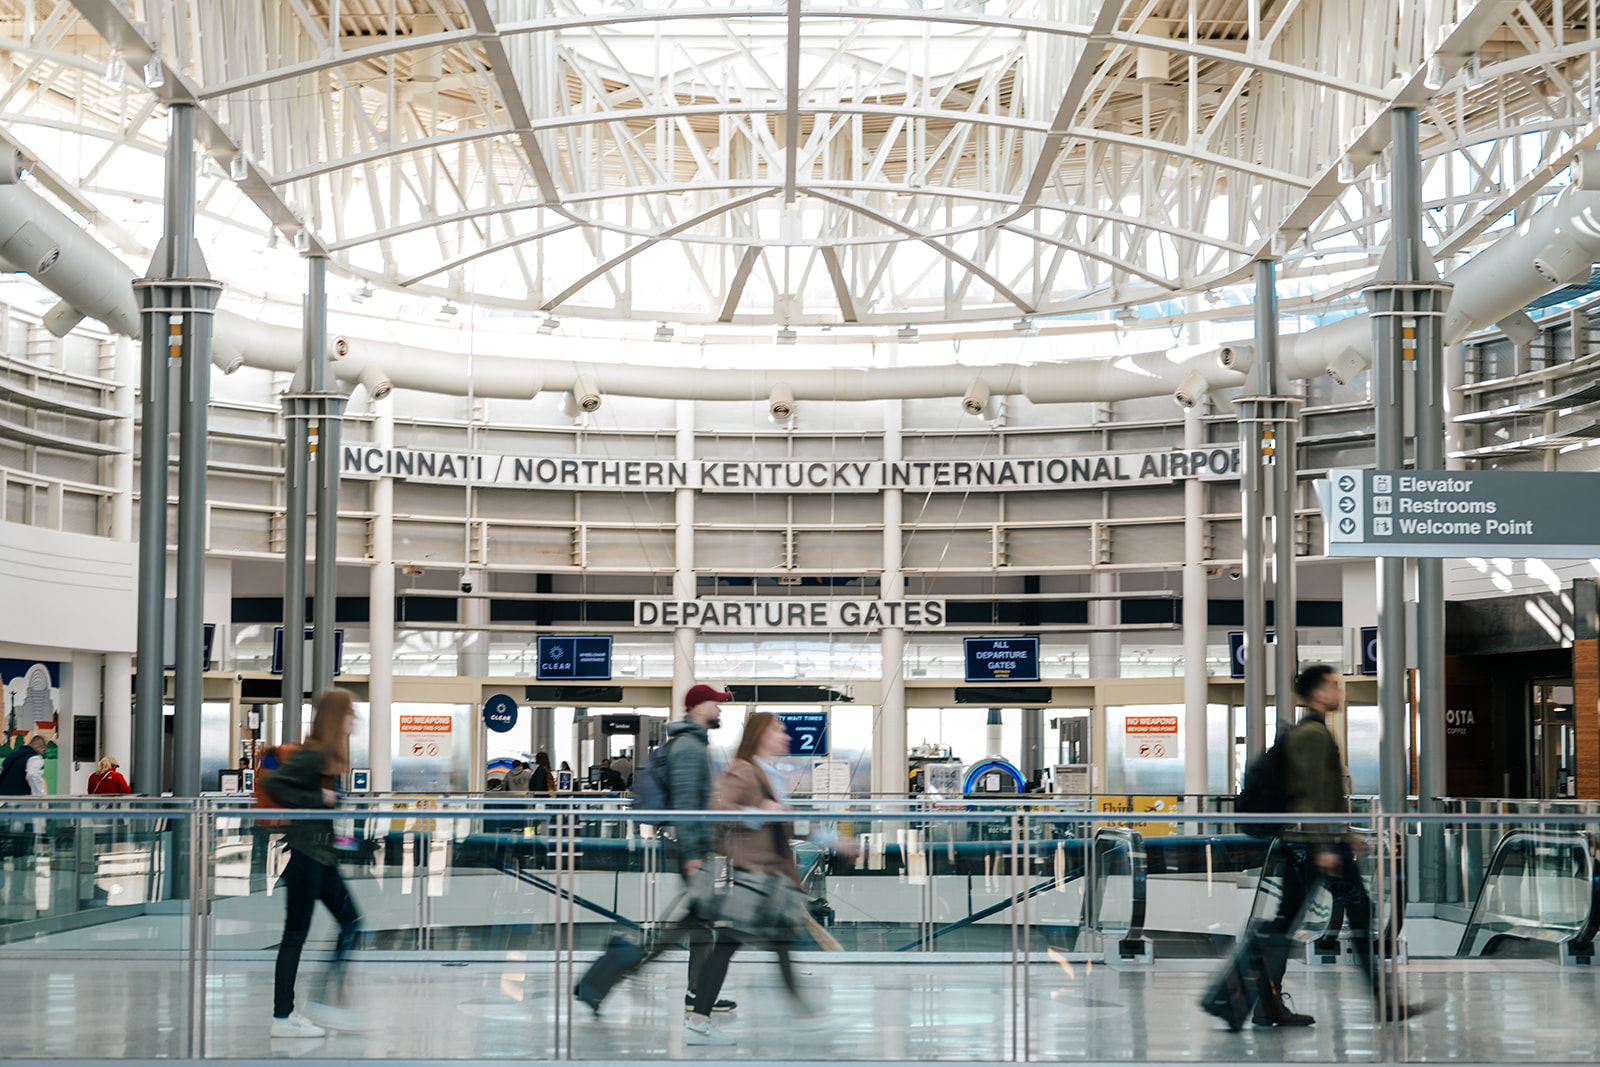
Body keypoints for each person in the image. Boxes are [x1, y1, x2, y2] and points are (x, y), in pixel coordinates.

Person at [686, 712, 857, 1045]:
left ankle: (702, 1020)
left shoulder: (770, 774)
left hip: (766, 877)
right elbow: (718, 810)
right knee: (747, 944)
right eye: (777, 730)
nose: (785, 736)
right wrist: (757, 812)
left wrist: (832, 840)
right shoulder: (745, 769)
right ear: (760, 734)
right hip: (750, 875)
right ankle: (806, 1016)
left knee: (766, 944)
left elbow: (788, 823)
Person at [1255, 665, 1393, 1026]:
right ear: (1318, 693)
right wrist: (1331, 846)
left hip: (1309, 842)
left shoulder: (1309, 732)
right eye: (1335, 685)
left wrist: (1345, 835)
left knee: (1290, 921)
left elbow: (1318, 796)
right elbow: (1315, 796)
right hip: (1315, 845)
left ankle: (1266, 1003)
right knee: (1359, 911)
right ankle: (1382, 1000)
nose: (1341, 692)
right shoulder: (1314, 735)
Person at [265, 689, 369, 1038]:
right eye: (350, 712)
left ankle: (325, 1000)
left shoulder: (328, 758)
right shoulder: (313, 755)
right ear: (336, 717)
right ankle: (283, 1016)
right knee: (294, 937)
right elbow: (276, 782)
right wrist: (317, 798)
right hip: (308, 860)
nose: (354, 719)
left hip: (322, 859)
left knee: (352, 923)